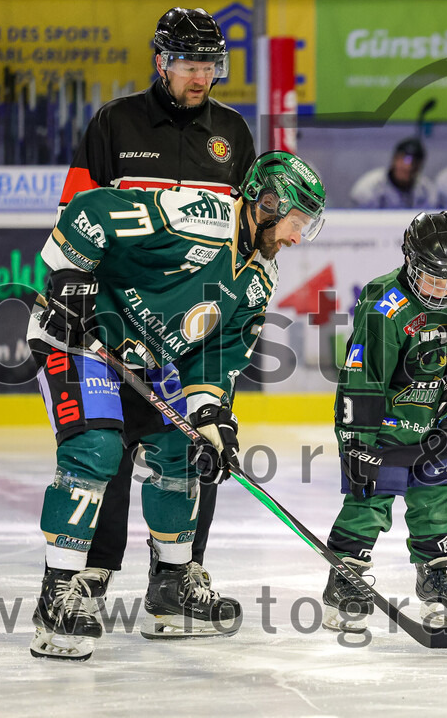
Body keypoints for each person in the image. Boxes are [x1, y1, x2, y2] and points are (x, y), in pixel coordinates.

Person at [27, 151, 326, 660]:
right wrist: (69, 282)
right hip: (79, 338)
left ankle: (170, 587)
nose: (297, 238)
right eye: (295, 223)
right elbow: (90, 211)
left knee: (187, 450)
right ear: (265, 204)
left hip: (149, 360)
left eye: (306, 227)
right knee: (97, 450)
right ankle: (59, 592)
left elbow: (215, 358)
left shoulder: (259, 279)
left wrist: (213, 421)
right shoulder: (199, 217)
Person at [56, 7, 257, 614]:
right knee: (109, 446)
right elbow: (75, 211)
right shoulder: (115, 124)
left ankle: (179, 574)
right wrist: (78, 294)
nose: (202, 78)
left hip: (191, 328)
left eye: (211, 65)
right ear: (162, 62)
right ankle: (90, 576)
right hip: (117, 321)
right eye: (191, 65)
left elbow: (246, 237)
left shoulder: (233, 134)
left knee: (199, 444)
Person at [323, 211, 447, 632]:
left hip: (428, 420)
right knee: (369, 499)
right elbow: (363, 374)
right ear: (411, 264)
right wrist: (357, 441)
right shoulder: (385, 304)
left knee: (435, 495)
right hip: (380, 422)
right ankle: (345, 577)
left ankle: (434, 574)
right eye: (433, 280)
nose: (443, 291)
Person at [350, 137, 437, 209]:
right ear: (394, 159)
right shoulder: (370, 187)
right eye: (405, 160)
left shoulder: (427, 191)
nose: (408, 167)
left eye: (415, 162)